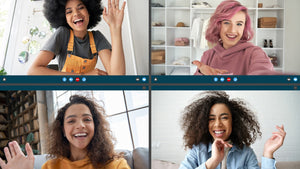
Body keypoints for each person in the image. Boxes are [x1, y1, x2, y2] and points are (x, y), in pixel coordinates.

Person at [0, 95, 131, 169]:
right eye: (71, 121)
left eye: (87, 119)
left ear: (95, 126)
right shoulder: (50, 166)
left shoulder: (116, 164)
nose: (80, 125)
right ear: (62, 130)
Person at [180, 91, 286, 169]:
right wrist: (213, 161)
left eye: (224, 117)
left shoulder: (246, 153)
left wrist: (268, 153)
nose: (217, 124)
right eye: (211, 119)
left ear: (233, 121)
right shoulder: (197, 151)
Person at [27, 0, 126, 75]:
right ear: (64, 17)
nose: (76, 14)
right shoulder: (62, 34)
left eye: (81, 8)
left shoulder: (96, 38)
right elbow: (33, 72)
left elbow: (117, 77)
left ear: (89, 11)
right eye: (69, 12)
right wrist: (83, 77)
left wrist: (115, 27)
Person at [193, 0, 281, 75]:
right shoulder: (208, 55)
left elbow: (264, 78)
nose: (233, 30)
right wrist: (201, 74)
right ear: (218, 25)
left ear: (244, 27)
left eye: (239, 24)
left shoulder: (255, 53)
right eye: (227, 23)